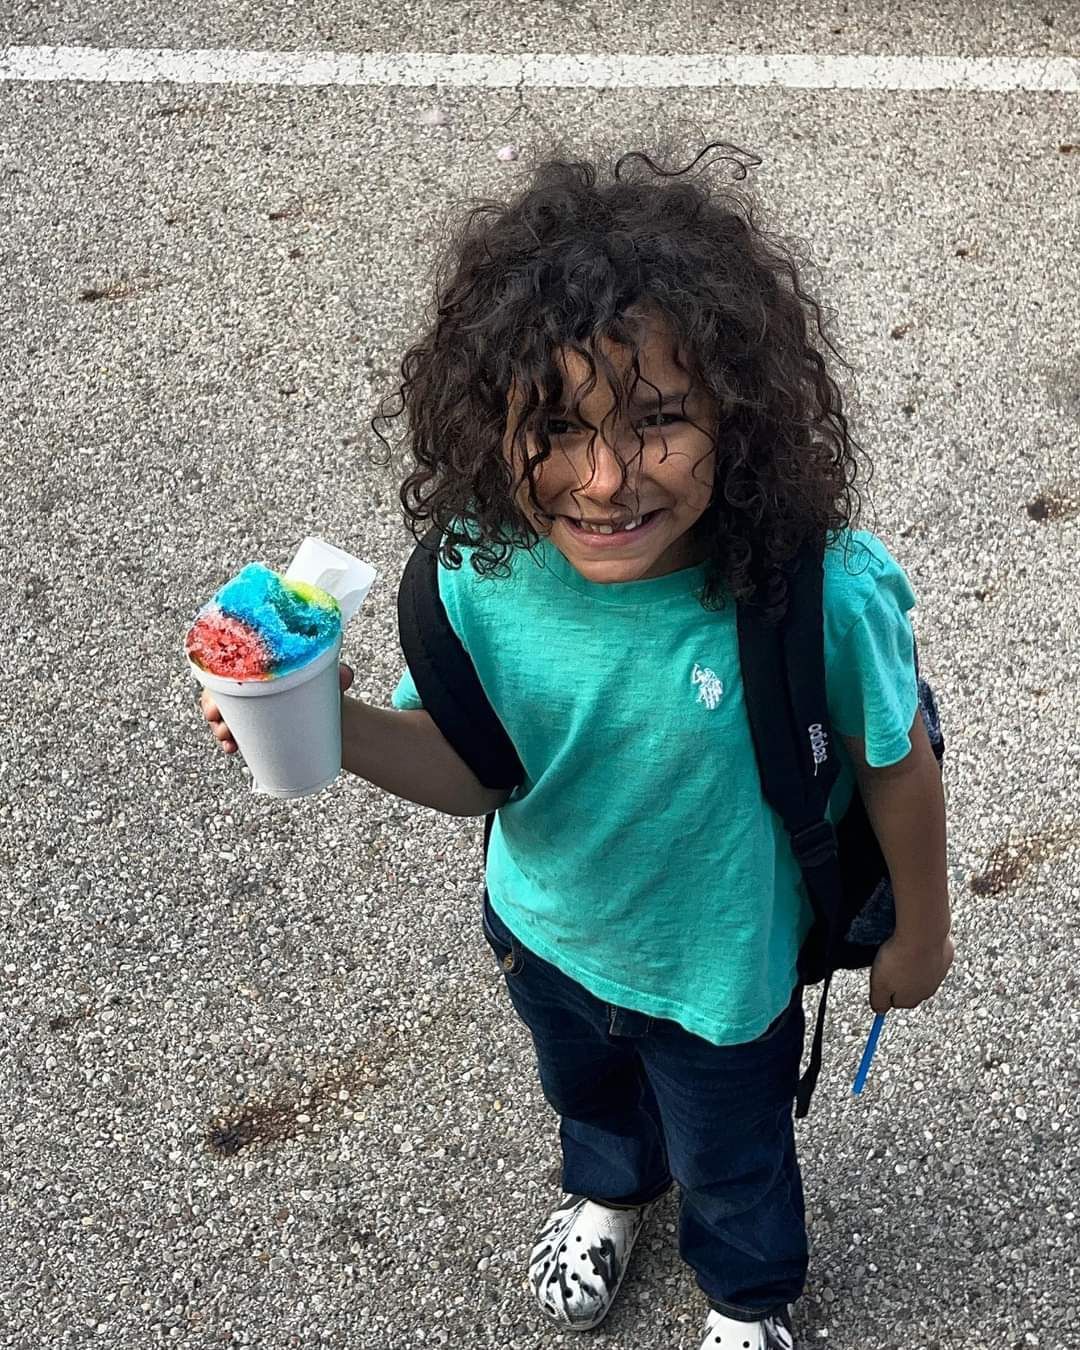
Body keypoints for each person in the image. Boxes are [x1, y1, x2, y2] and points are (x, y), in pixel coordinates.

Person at [201, 144, 953, 1350]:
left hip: (724, 983)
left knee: (738, 1157)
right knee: (589, 1099)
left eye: (658, 422)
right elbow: (478, 771)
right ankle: (610, 1189)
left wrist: (923, 927)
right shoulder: (477, 575)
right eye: (555, 428)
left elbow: (893, 762)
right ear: (483, 421)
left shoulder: (820, 594)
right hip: (544, 934)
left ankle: (747, 1298)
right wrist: (323, 722)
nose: (605, 481)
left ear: (739, 416)